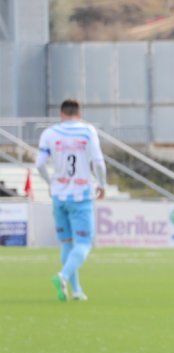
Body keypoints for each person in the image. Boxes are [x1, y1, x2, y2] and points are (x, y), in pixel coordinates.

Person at [36, 99, 107, 302]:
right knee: (83, 243)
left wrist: (50, 183)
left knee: (66, 243)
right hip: (81, 195)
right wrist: (102, 184)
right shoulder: (87, 132)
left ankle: (76, 291)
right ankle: (63, 276)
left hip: (59, 196)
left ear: (61, 113)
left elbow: (39, 164)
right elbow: (99, 163)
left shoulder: (49, 133)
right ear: (79, 112)